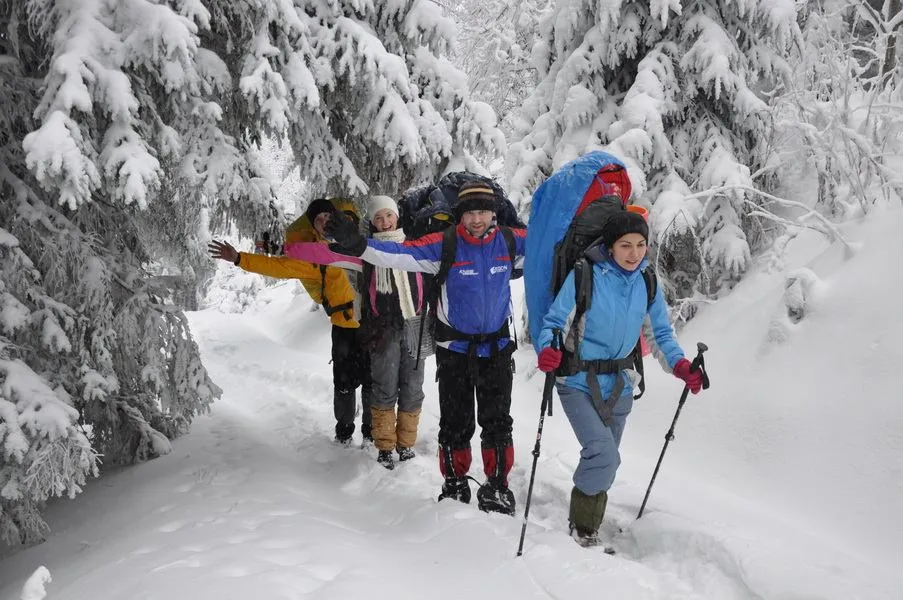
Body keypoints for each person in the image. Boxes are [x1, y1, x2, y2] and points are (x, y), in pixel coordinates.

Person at [326, 181, 526, 515]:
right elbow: (397, 253)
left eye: (483, 211)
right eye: (470, 212)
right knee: (455, 423)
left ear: (494, 213)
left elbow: (551, 242)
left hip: (497, 347)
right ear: (460, 215)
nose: (477, 219)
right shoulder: (444, 243)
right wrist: (359, 245)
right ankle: (454, 484)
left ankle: (497, 487)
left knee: (498, 422)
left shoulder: (509, 240)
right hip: (455, 350)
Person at [535, 210, 704, 546]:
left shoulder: (647, 282)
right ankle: (582, 528)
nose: (634, 253)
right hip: (577, 380)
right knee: (603, 454)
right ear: (610, 247)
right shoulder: (585, 274)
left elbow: (660, 334)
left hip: (621, 384)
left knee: (607, 460)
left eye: (641, 244)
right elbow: (556, 322)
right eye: (625, 245)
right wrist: (547, 349)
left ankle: (587, 523)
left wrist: (680, 366)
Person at [207, 198, 372, 446]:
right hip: (344, 324)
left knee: (373, 380)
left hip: (374, 322)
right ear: (313, 227)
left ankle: (371, 432)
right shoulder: (311, 257)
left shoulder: (361, 238)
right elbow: (276, 266)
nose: (325, 222)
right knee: (345, 383)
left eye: (328, 216)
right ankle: (345, 431)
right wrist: (240, 259)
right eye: (319, 220)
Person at [360, 195, 428, 470]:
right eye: (378, 217)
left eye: (388, 215)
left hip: (415, 325)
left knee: (413, 388)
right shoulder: (368, 252)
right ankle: (386, 446)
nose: (385, 221)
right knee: (385, 387)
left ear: (397, 217)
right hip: (383, 329)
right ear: (373, 223)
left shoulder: (414, 248)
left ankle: (406, 444)